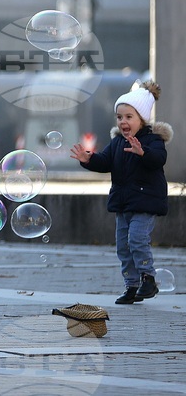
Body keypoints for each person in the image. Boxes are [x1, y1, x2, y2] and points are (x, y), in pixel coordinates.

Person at [70, 80, 173, 305]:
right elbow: (105, 162)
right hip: (123, 203)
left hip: (145, 202)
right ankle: (131, 286)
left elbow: (159, 159)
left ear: (141, 119)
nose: (123, 122)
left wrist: (143, 152)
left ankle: (148, 278)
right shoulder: (117, 142)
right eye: (119, 117)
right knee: (123, 247)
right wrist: (88, 159)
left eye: (129, 117)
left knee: (137, 239)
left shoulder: (153, 140)